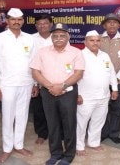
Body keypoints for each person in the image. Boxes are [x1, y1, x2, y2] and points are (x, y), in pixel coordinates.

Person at [30, 23, 85, 165]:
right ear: (51, 37)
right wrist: (50, 86)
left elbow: (79, 73)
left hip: (68, 92)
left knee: (69, 123)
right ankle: (55, 153)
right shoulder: (42, 52)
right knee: (52, 123)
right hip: (48, 92)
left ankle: (69, 155)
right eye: (55, 36)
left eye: (62, 35)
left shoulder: (76, 52)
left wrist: (62, 86)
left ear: (68, 37)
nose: (58, 38)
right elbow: (35, 72)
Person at [0, 8, 36, 163]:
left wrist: (35, 83)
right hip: (7, 84)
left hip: (27, 82)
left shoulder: (30, 39)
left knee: (22, 115)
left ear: (23, 21)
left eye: (20, 19)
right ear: (7, 21)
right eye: (13, 19)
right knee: (8, 116)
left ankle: (19, 145)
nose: (17, 22)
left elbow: (34, 62)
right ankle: (7, 148)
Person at [76, 30, 118, 156]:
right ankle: (79, 145)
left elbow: (111, 73)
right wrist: (76, 94)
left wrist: (114, 88)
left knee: (98, 121)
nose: (95, 43)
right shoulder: (79, 55)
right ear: (85, 41)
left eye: (98, 40)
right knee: (81, 123)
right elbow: (74, 76)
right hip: (85, 97)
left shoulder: (104, 55)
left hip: (103, 96)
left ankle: (93, 142)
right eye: (92, 40)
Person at [100, 13, 120, 144]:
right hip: (101, 81)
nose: (112, 24)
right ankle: (103, 132)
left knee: (116, 109)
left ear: (119, 24)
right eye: (109, 22)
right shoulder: (97, 39)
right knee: (102, 109)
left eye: (115, 22)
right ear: (104, 25)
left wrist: (116, 78)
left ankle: (113, 133)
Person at [30, 14, 53, 145]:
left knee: (56, 109)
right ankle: (41, 133)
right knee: (39, 109)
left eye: (45, 23)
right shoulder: (31, 39)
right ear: (36, 25)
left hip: (55, 81)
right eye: (39, 23)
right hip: (37, 81)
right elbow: (30, 62)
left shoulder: (57, 37)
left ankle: (56, 133)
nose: (42, 26)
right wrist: (34, 83)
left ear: (50, 24)